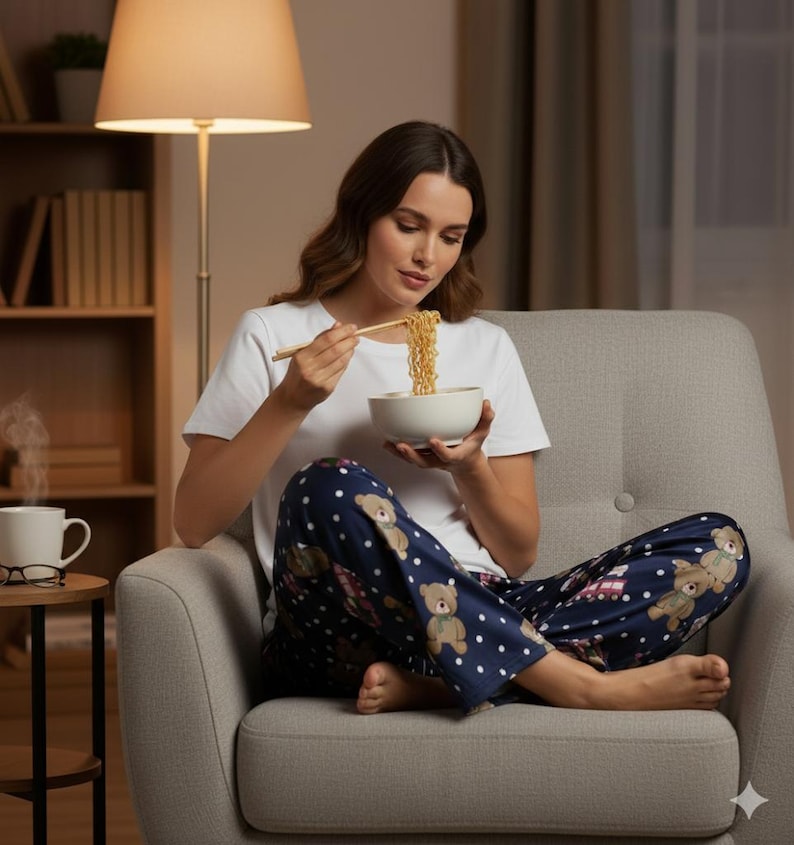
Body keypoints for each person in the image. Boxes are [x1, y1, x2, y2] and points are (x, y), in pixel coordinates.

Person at [174, 120, 749, 716]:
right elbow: (193, 522)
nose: (429, 256)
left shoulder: (484, 347)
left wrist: (470, 466)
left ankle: (442, 681)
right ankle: (576, 684)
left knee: (718, 545)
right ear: (361, 216)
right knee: (328, 482)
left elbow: (519, 552)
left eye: (452, 236)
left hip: (478, 605)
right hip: (337, 630)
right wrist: (289, 402)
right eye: (408, 226)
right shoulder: (274, 335)